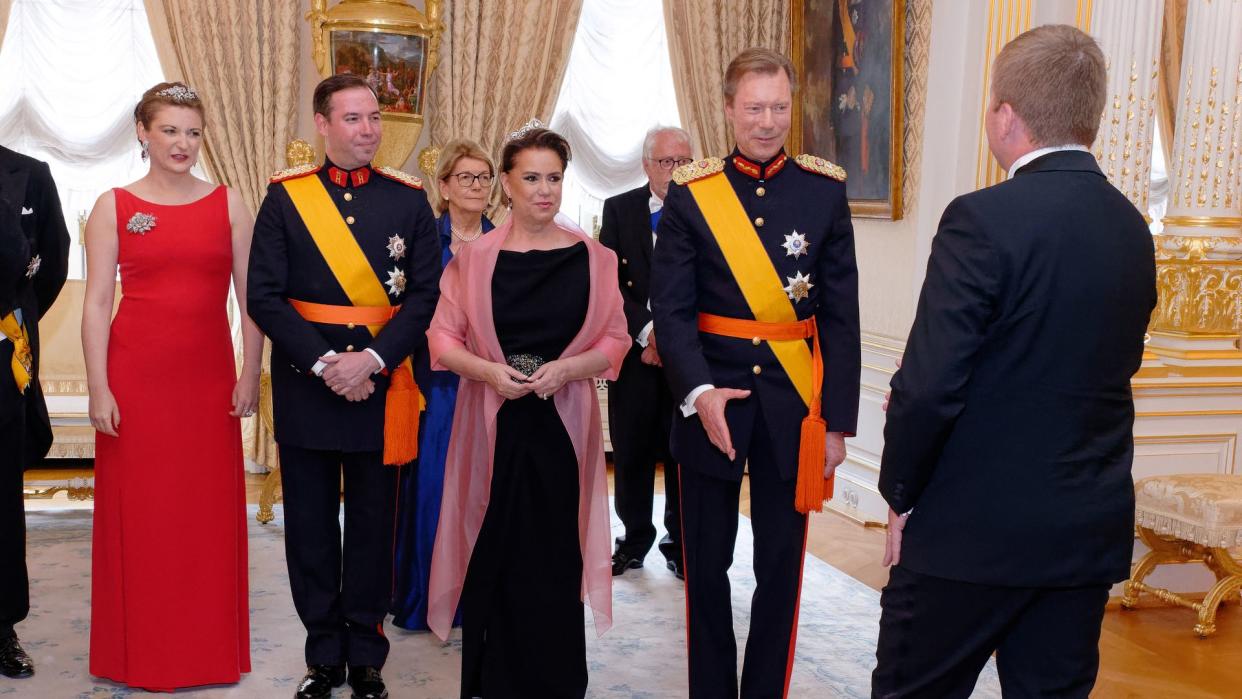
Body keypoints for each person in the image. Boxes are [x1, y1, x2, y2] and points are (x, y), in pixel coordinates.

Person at [872, 25, 1157, 699]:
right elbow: (1115, 362)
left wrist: (899, 496)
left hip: (969, 532)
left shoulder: (981, 219)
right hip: (1081, 534)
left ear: (1005, 115)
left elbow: (930, 386)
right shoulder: (1132, 229)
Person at [650, 48, 860, 698]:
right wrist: (697, 392)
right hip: (710, 397)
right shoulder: (692, 191)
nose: (768, 121)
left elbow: (841, 313)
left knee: (781, 566)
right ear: (728, 108)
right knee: (705, 566)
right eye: (754, 107)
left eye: (778, 107)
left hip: (792, 405)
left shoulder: (823, 189)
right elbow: (673, 308)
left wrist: (837, 424)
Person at [247, 73, 440, 699]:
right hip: (309, 385)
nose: (367, 130)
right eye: (353, 119)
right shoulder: (286, 197)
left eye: (374, 118)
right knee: (308, 525)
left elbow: (424, 297)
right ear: (322, 125)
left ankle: (366, 653)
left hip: (381, 386)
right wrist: (330, 362)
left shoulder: (408, 199)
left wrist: (374, 360)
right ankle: (322, 653)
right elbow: (265, 298)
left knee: (372, 524)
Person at [425, 125, 628, 698]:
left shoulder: (595, 258)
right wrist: (489, 373)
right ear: (506, 185)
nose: (545, 190)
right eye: (531, 177)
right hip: (495, 425)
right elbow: (441, 340)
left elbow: (615, 340)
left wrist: (567, 370)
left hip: (562, 428)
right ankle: (492, 681)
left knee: (556, 555)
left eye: (555, 178)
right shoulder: (475, 259)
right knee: (494, 548)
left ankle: (559, 681)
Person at [82, 82, 260, 691]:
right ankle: (140, 654)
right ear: (143, 133)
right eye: (170, 131)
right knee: (144, 518)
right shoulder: (111, 206)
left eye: (192, 132)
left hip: (207, 383)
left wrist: (249, 372)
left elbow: (250, 301)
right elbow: (97, 303)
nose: (183, 143)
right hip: (136, 381)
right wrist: (98, 387)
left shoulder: (230, 204)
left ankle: (206, 653)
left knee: (202, 519)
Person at [391, 139, 495, 631]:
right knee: (435, 489)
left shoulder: (510, 237)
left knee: (488, 494)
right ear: (445, 186)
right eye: (466, 177)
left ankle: (483, 599)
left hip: (497, 385)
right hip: (438, 384)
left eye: (484, 177)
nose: (476, 186)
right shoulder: (424, 240)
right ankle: (427, 598)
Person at [599, 125, 693, 579]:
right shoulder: (619, 209)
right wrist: (648, 332)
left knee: (682, 451)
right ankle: (634, 539)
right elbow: (610, 285)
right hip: (636, 353)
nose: (675, 171)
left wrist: (671, 338)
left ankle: (680, 544)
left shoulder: (709, 210)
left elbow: (713, 286)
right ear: (647, 164)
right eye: (666, 162)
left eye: (683, 162)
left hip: (687, 355)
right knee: (632, 450)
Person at [0, 144, 69, 681]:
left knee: (2, 502)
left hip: (3, 364)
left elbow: (50, 263)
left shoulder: (31, 174)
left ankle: (2, 626)